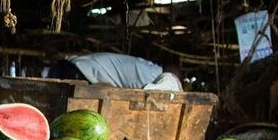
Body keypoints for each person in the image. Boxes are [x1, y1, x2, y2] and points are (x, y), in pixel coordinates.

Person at [48, 52, 183, 91]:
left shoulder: (150, 68)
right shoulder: (153, 75)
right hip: (81, 72)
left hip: (77, 66)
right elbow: (141, 95)